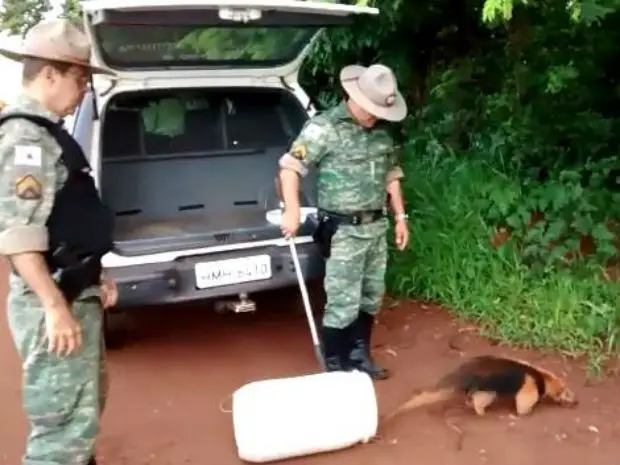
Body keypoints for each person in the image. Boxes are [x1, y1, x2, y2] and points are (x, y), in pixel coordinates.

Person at [0, 19, 118, 465]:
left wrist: (97, 276)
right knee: (60, 427)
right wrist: (54, 306)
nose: (84, 88)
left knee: (81, 414)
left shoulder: (49, 133)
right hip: (53, 298)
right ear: (49, 73)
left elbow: (70, 218)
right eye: (80, 77)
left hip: (74, 290)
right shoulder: (24, 138)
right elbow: (18, 235)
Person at [277, 63, 410, 381]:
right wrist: (293, 211)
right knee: (342, 299)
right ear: (357, 98)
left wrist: (401, 217)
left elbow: (391, 176)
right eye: (373, 109)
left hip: (376, 228)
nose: (376, 116)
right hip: (343, 231)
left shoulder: (381, 133)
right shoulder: (324, 128)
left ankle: (359, 356)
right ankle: (336, 365)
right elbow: (290, 168)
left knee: (371, 295)